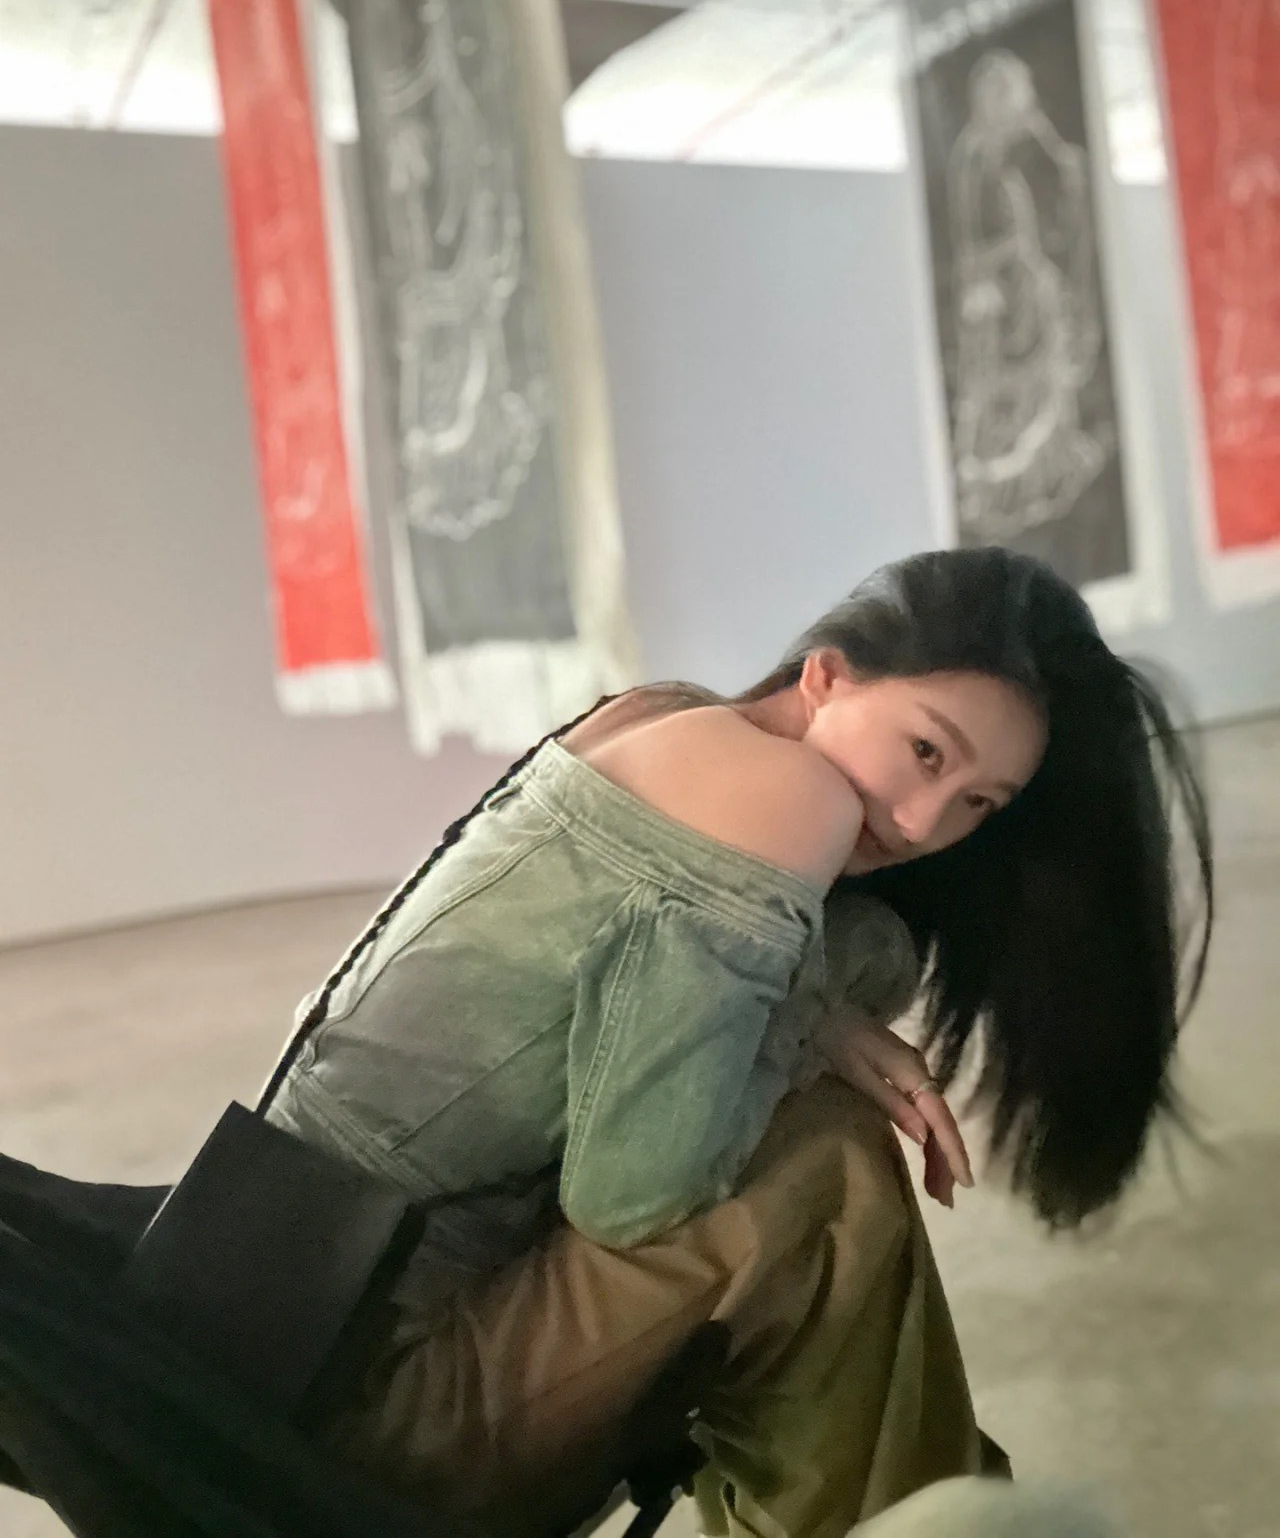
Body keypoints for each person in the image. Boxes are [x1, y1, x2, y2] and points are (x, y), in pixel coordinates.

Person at [260, 546, 1212, 1538]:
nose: (924, 821)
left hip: (288, 1341)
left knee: (819, 1157)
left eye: (979, 803)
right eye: (927, 751)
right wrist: (810, 1033)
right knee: (826, 1175)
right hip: (356, 1406)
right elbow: (634, 1195)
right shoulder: (784, 794)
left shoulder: (663, 715)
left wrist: (819, 1019)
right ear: (828, 675)